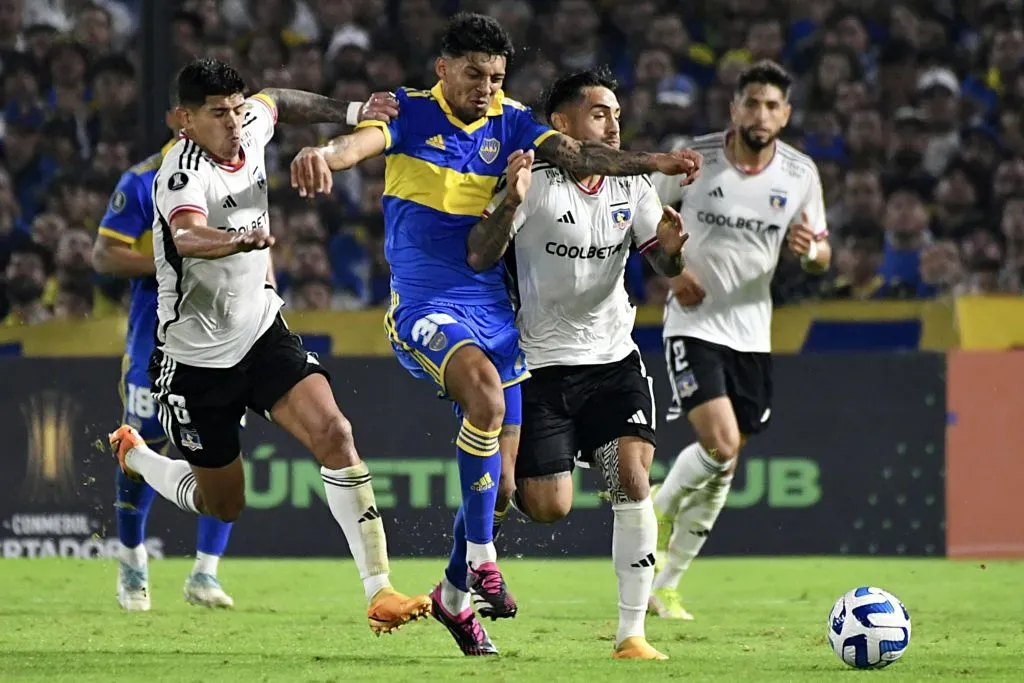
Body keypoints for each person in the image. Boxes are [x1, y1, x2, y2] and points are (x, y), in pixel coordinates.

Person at [289, 12, 701, 656]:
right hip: (445, 307)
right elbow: (361, 149)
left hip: (555, 338)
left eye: (497, 76)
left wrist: (669, 237)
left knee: (583, 483)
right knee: (523, 476)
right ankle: (479, 557)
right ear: (443, 68)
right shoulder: (410, 113)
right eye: (475, 73)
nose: (486, 86)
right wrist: (324, 155)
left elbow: (630, 217)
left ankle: (598, 624)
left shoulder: (519, 125)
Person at [106, 57, 430, 636]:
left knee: (336, 433)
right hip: (195, 361)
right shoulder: (178, 174)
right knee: (223, 504)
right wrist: (237, 240)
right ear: (184, 120)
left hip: (260, 331)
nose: (233, 123)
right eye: (217, 114)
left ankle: (379, 590)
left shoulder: (250, 123)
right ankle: (138, 456)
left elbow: (279, 97)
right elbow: (185, 233)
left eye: (235, 110)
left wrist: (354, 111)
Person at [468, 68, 690, 660]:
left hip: (613, 361)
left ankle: (631, 634)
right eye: (599, 114)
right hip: (540, 368)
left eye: (617, 113)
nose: (614, 125)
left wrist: (669, 252)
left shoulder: (634, 185)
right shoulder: (532, 180)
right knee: (548, 507)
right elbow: (478, 254)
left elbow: (663, 268)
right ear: (561, 125)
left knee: (629, 481)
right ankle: (483, 528)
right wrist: (507, 204)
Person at [647, 60, 831, 620]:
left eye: (773, 106)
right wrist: (673, 272)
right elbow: (639, 218)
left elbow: (822, 252)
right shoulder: (693, 158)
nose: (761, 114)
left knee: (726, 463)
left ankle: (667, 585)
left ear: (787, 114)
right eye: (752, 103)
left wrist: (810, 254)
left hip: (753, 332)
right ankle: (656, 510)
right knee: (721, 444)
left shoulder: (799, 174)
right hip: (693, 323)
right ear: (734, 108)